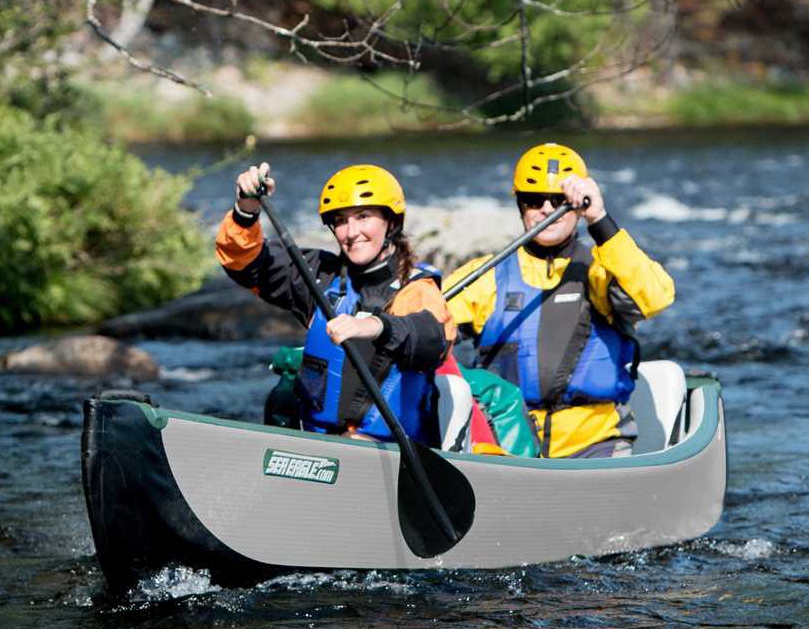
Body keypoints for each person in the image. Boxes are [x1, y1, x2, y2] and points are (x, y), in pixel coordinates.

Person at [442, 143, 675, 458]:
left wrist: (600, 220)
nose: (547, 210)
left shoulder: (601, 268)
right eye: (534, 200)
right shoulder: (486, 275)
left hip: (595, 445)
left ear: (577, 206)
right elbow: (424, 323)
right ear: (520, 206)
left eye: (560, 201)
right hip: (506, 445)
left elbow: (656, 297)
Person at [215, 161, 456, 444]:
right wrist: (246, 210)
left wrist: (376, 327)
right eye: (341, 220)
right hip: (318, 443)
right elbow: (246, 264)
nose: (351, 232)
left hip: (388, 451)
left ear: (391, 222)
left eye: (363, 216)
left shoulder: (415, 288)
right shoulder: (321, 276)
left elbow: (433, 339)